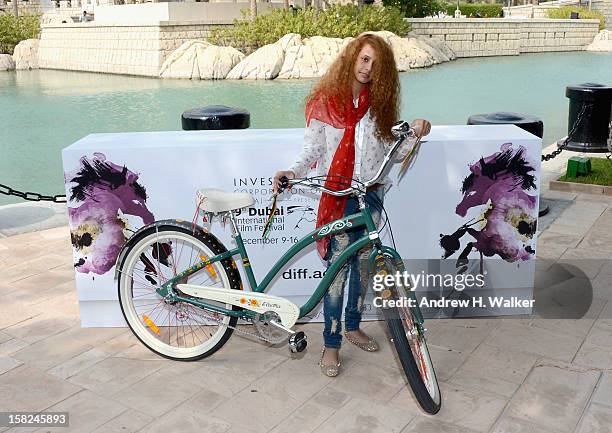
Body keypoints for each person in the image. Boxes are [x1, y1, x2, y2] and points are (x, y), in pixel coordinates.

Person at [273, 33, 431, 377]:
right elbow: (312, 151)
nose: (367, 68)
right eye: (363, 59)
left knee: (362, 267)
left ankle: (353, 326)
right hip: (339, 197)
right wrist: (291, 171)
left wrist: (417, 131)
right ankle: (331, 345)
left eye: (375, 62)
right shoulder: (326, 101)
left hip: (372, 194)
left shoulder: (381, 105)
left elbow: (394, 151)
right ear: (351, 59)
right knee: (336, 276)